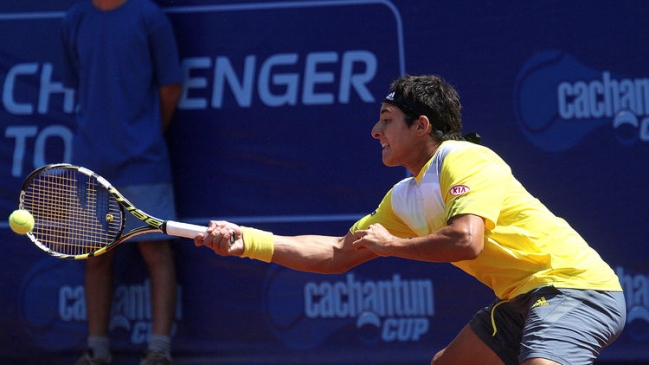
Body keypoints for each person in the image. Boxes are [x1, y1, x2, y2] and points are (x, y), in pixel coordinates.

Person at [195, 74, 626, 365]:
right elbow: (336, 253)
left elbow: (466, 241)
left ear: (421, 126)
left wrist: (392, 245)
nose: (375, 131)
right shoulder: (404, 197)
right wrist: (247, 241)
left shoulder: (463, 158)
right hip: (522, 301)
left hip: (576, 289)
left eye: (386, 121)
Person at [60, 0, 183, 364]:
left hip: (143, 161)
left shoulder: (149, 17)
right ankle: (96, 349)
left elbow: (170, 87)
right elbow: (78, 82)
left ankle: (158, 351)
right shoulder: (74, 19)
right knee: (95, 257)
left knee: (156, 250)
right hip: (90, 162)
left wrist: (145, 137)